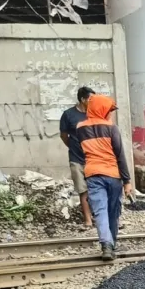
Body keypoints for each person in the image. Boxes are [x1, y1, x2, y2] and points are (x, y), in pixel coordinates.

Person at [74, 94, 133, 261]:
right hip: (113, 175)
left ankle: (107, 245)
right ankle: (110, 243)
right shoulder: (111, 128)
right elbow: (120, 155)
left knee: (100, 211)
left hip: (93, 174)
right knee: (113, 212)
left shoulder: (80, 127)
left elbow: (80, 149)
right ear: (102, 109)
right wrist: (127, 181)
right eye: (109, 110)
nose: (111, 114)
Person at [59, 86, 95, 228]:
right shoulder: (68, 115)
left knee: (95, 189)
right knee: (82, 189)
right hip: (76, 159)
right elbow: (63, 136)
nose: (93, 102)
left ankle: (97, 216)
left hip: (93, 158)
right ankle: (88, 220)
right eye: (90, 99)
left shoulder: (93, 114)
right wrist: (73, 146)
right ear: (82, 99)